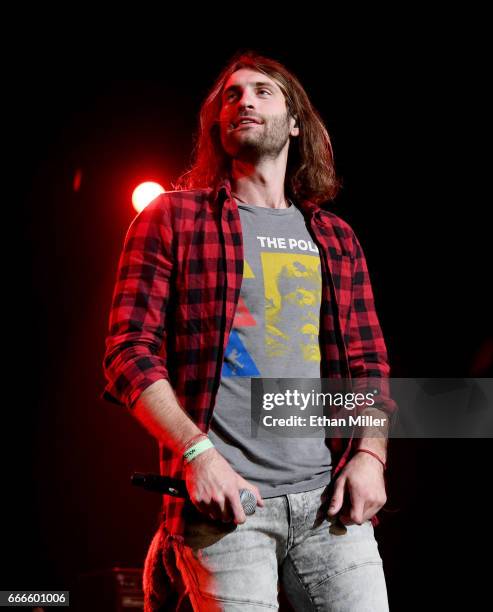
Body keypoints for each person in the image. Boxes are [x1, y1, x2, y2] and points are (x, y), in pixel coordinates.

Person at [102, 50, 397, 611]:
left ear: (294, 122)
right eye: (231, 95)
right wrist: (197, 456)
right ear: (218, 127)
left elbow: (369, 365)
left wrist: (370, 457)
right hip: (226, 511)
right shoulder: (173, 217)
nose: (244, 101)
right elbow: (127, 353)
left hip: (329, 507)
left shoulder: (335, 238)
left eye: (262, 91)